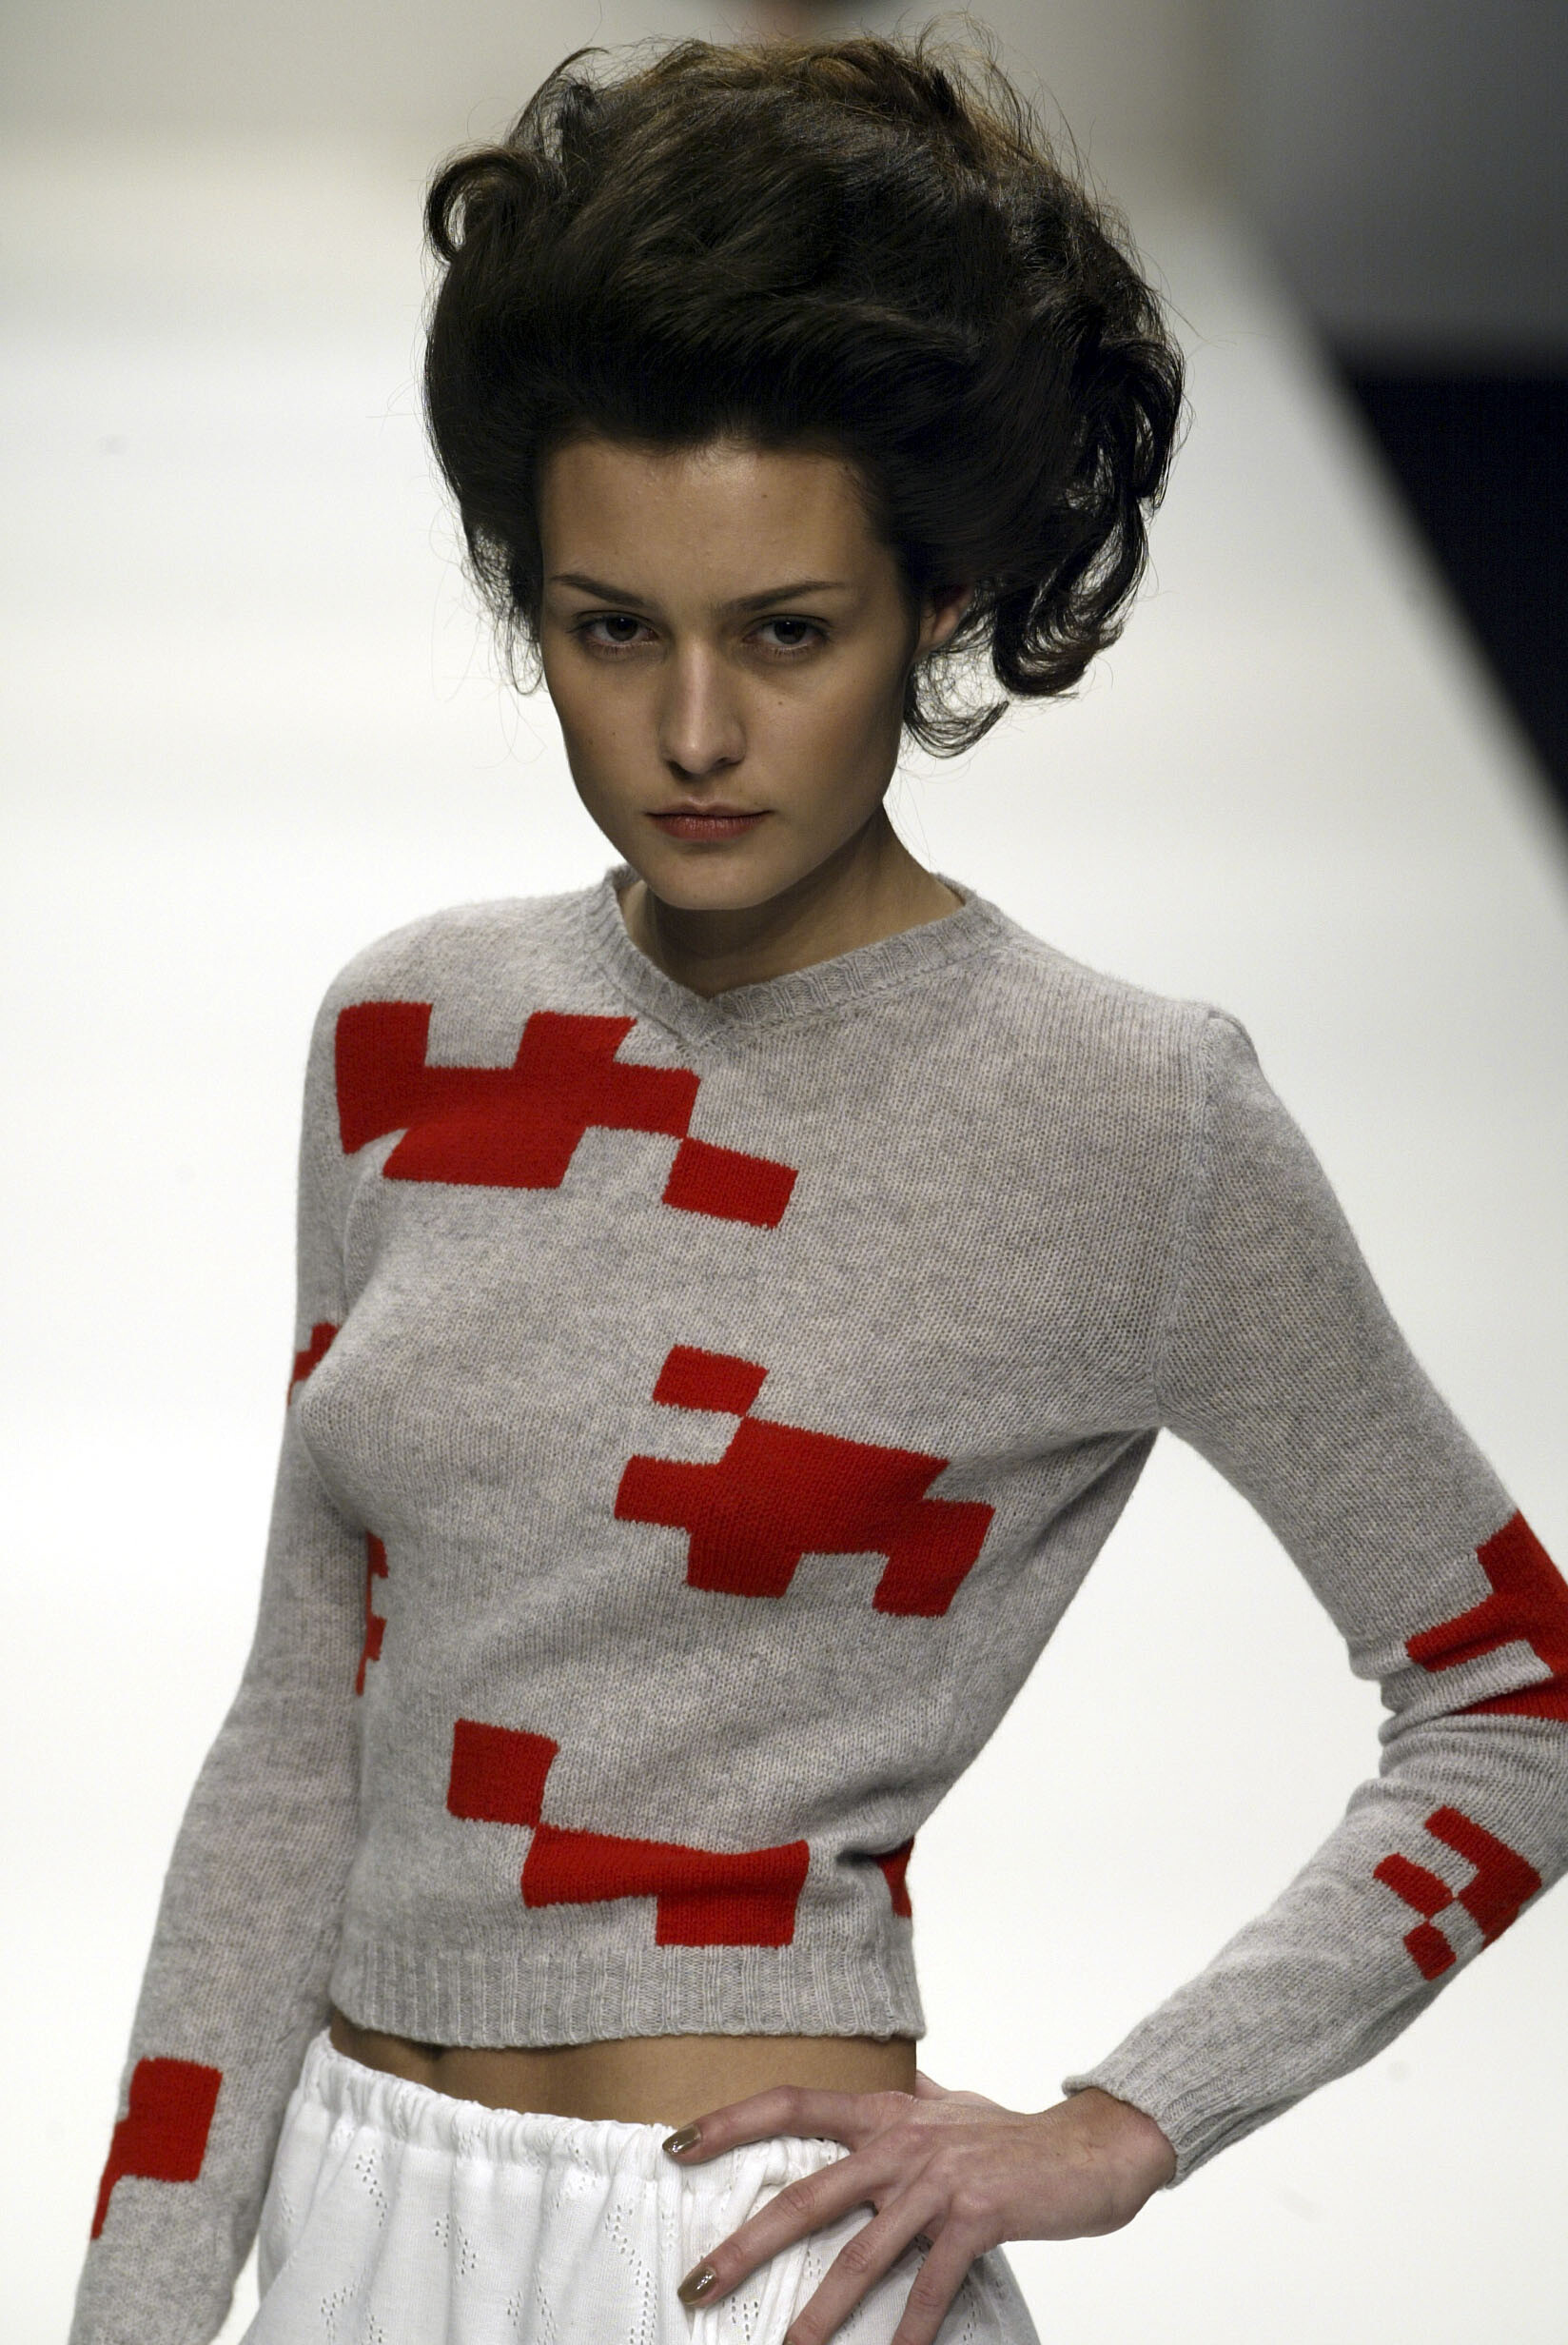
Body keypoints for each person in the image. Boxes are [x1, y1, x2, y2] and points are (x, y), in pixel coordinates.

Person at [69, 31, 1568, 2345]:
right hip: (349, 2226)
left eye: (784, 632)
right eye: (609, 628)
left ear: (934, 602)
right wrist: (138, 2303)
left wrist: (1128, 2115)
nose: (692, 732)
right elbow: (293, 1745)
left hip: (755, 2259)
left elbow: (1512, 1687)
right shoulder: (413, 1036)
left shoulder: (1122, 1114)